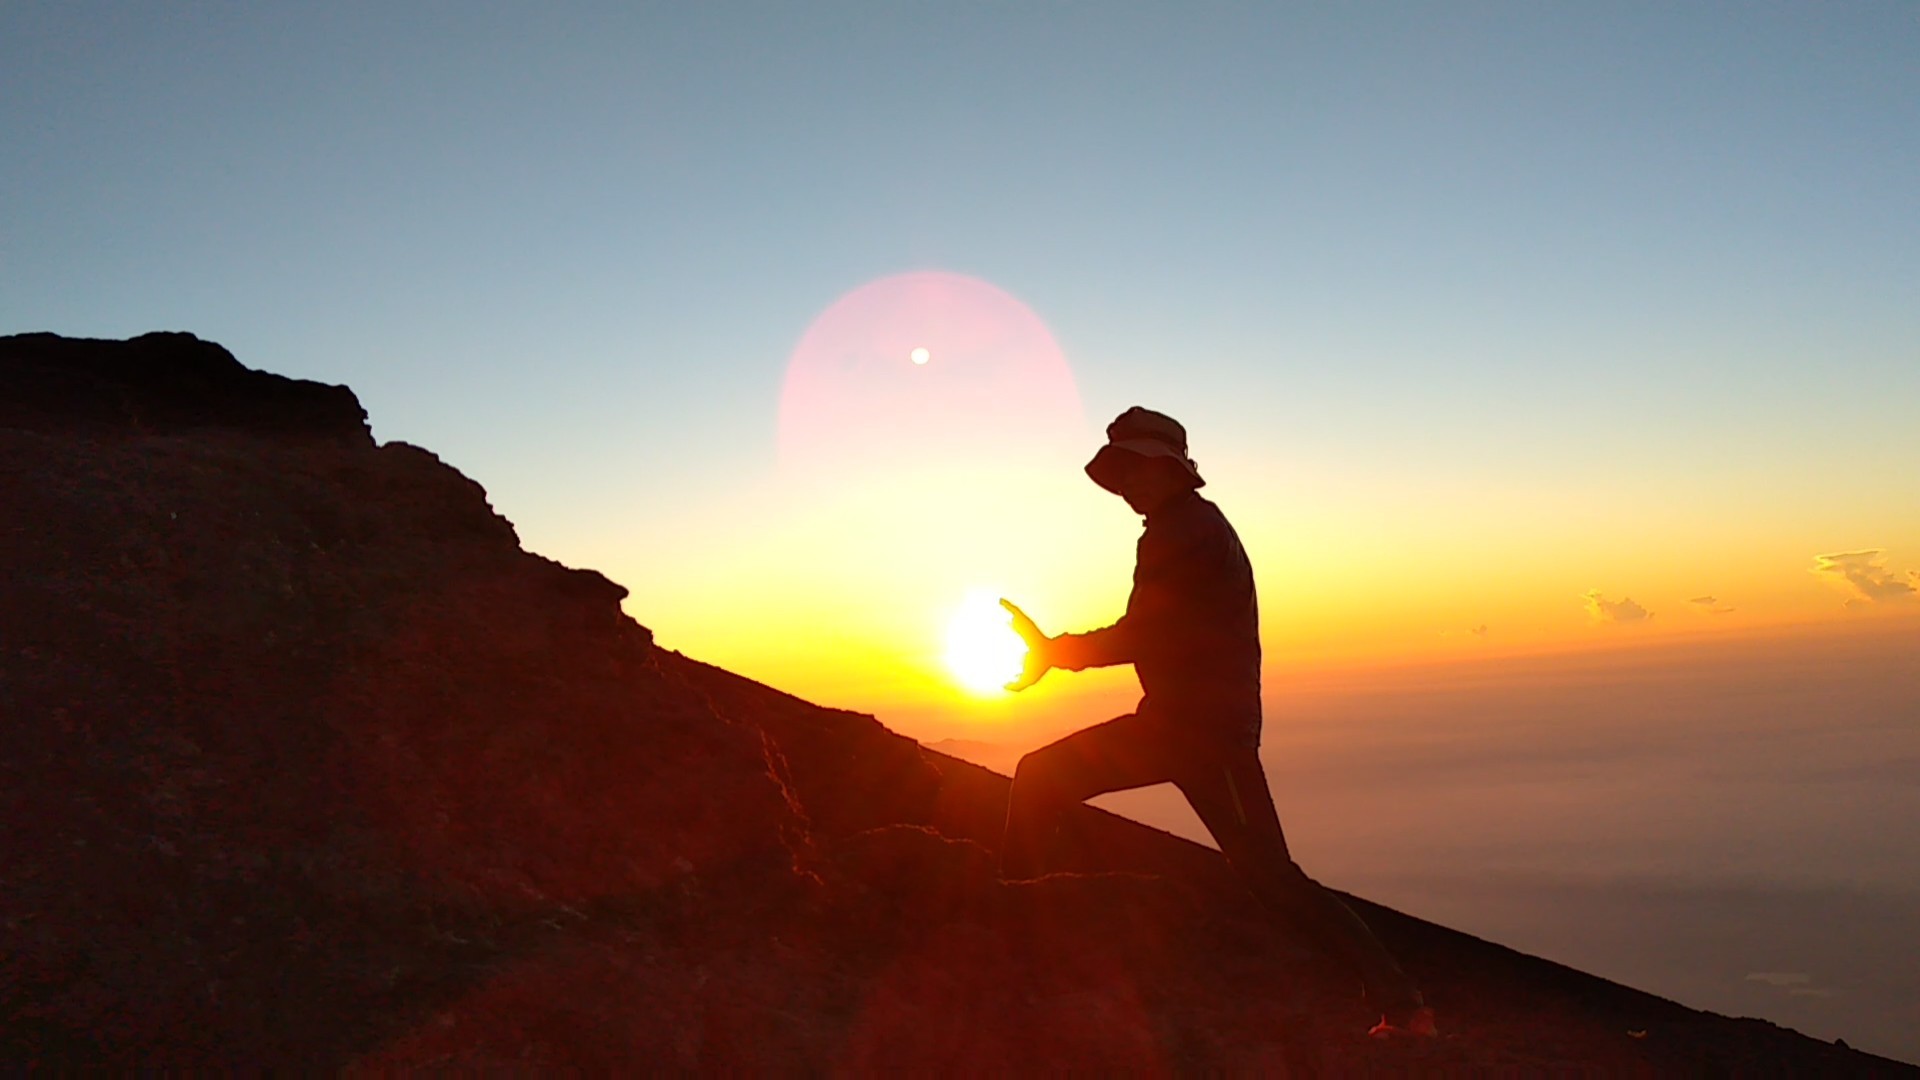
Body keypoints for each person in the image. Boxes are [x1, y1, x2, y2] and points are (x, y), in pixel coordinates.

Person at [998, 406, 1436, 1039]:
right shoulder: (1178, 528)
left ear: (1172, 469)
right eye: (1123, 471)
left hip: (1205, 738)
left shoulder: (1187, 533)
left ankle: (1404, 1004)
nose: (1130, 483)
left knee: (1270, 878)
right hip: (1174, 726)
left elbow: (1145, 634)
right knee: (1041, 779)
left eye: (1140, 467)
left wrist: (1052, 652)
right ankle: (1025, 934)